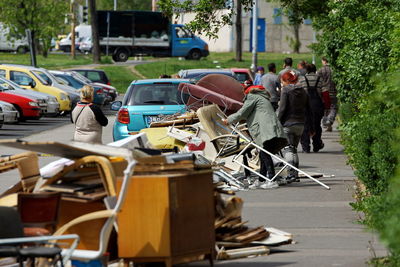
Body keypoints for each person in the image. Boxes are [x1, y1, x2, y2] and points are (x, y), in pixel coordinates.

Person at [223, 82, 287, 189]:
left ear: (246, 91)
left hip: (265, 129)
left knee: (264, 153)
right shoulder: (261, 96)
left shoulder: (252, 96)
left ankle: (272, 179)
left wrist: (228, 120)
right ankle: (261, 179)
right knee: (263, 153)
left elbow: (243, 112)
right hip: (270, 128)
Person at [278, 70, 313, 183]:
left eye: (282, 81)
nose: (281, 83)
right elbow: (309, 110)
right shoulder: (303, 91)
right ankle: (295, 174)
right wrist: (312, 127)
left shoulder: (286, 91)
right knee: (294, 149)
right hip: (300, 124)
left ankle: (291, 175)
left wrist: (278, 122)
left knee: (288, 150)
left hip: (288, 123)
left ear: (286, 80)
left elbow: (282, 109)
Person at [299, 64, 325, 153]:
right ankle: (317, 145)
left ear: (307, 70)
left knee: (305, 125)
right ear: (315, 70)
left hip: (305, 105)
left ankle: (306, 147)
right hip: (317, 105)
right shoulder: (320, 79)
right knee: (317, 125)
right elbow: (324, 93)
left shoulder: (302, 79)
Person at [318, 57, 337, 132]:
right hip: (333, 91)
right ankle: (330, 121)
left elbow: (318, 81)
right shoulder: (333, 70)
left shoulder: (320, 70)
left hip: (323, 91)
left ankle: (326, 122)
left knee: (325, 108)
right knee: (333, 107)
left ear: (324, 61)